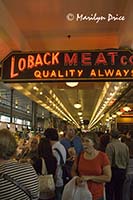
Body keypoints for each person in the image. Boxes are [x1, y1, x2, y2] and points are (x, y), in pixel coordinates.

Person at [0, 128, 39, 200]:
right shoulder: (29, 169)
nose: (32, 144)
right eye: (31, 142)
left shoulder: (35, 156)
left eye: (35, 143)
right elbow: (35, 196)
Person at [71, 133, 111, 200]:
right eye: (83, 141)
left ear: (94, 143)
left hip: (96, 195)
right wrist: (76, 178)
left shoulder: (102, 156)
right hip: (81, 194)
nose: (84, 143)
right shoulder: (80, 156)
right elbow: (73, 170)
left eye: (87, 141)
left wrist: (90, 177)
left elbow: (108, 177)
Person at [105, 130, 129, 200]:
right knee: (119, 192)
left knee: (110, 192)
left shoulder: (110, 145)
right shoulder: (125, 146)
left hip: (113, 171)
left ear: (110, 136)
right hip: (123, 171)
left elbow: (108, 162)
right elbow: (127, 161)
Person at [44, 128, 66, 200]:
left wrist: (54, 180)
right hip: (61, 177)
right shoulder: (61, 146)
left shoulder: (54, 149)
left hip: (57, 179)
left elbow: (55, 166)